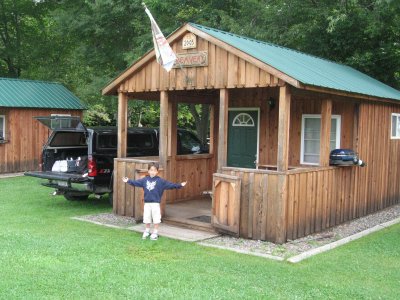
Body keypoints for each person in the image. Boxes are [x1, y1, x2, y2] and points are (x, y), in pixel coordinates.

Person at [122, 162, 187, 240]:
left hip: (155, 203)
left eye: (154, 170)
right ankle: (147, 231)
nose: (152, 172)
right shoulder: (144, 180)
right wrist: (128, 180)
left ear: (157, 171)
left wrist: (180, 185)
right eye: (151, 170)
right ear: (148, 171)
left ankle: (155, 232)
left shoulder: (161, 181)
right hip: (147, 203)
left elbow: (171, 185)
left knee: (156, 218)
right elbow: (136, 183)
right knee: (147, 218)